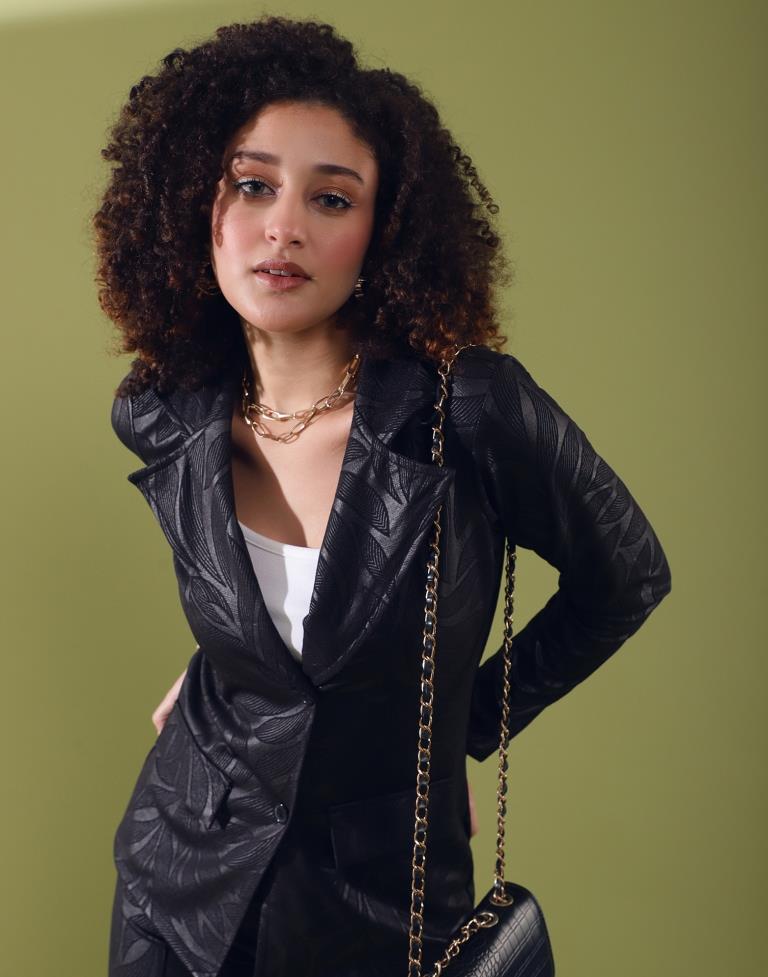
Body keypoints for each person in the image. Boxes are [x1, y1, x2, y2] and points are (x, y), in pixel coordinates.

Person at [94, 14, 672, 977]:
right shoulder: (163, 410)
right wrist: (229, 671)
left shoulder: (470, 408)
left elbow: (627, 576)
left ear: (384, 230)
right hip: (178, 875)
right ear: (194, 201)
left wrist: (459, 723)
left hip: (375, 900)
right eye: (252, 184)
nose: (283, 226)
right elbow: (281, 622)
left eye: (331, 198)